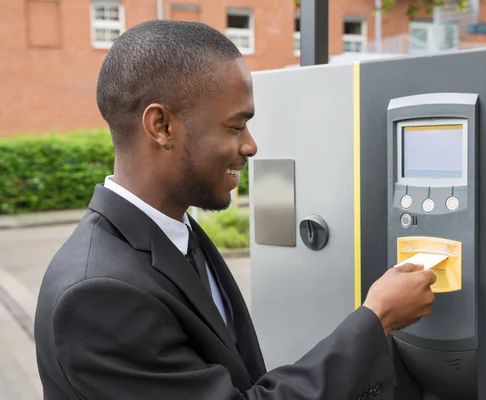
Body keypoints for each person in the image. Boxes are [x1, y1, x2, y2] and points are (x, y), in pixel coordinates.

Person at [34, 20, 437, 400]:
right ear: (161, 126)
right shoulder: (98, 295)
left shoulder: (173, 233)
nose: (251, 145)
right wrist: (376, 318)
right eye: (234, 126)